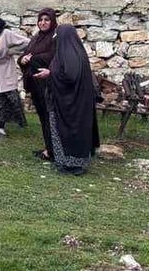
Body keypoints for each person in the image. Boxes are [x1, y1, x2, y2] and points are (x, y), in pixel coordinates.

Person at [32, 25, 99, 175]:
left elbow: (70, 77)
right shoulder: (72, 52)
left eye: (57, 35)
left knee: (69, 131)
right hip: (69, 102)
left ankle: (72, 164)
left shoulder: (70, 54)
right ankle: (66, 162)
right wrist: (51, 72)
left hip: (69, 104)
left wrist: (50, 74)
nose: (55, 38)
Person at [19, 8, 59, 161]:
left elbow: (54, 57)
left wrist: (33, 58)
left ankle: (54, 151)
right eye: (40, 20)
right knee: (43, 117)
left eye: (46, 20)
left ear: (52, 21)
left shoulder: (55, 38)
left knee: (50, 117)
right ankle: (48, 148)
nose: (43, 23)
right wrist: (22, 60)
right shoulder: (36, 37)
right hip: (35, 84)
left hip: (48, 84)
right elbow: (26, 54)